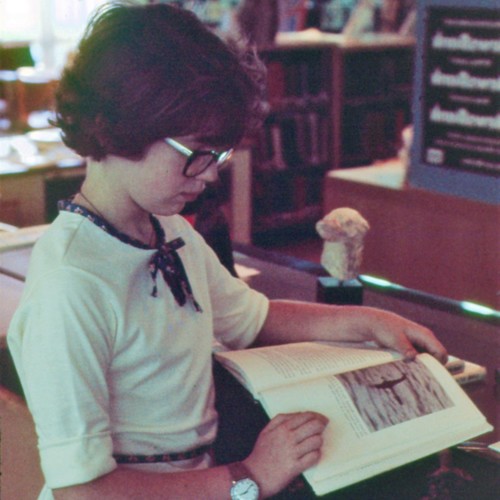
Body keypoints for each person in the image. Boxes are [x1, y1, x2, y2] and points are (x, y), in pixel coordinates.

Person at [7, 2, 447, 499]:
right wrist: (252, 477)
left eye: (219, 155)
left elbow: (252, 318)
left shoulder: (168, 229)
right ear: (120, 128)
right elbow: (80, 492)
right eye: (198, 153)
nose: (212, 173)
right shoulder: (72, 285)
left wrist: (369, 324)